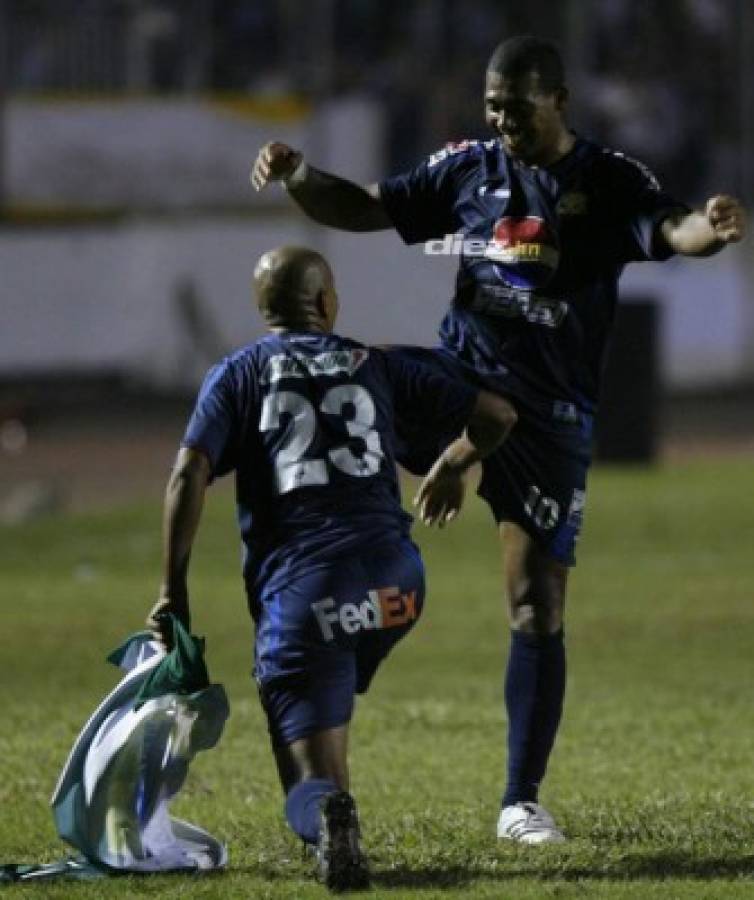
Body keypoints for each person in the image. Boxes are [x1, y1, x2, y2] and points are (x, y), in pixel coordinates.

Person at [250, 35, 747, 843]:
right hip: (461, 379)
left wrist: (711, 228)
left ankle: (520, 801)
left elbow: (671, 229)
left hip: (549, 415)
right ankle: (321, 580)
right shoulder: (470, 169)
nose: (500, 119)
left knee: (535, 606)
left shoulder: (610, 179)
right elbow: (371, 206)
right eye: (492, 105)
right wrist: (301, 174)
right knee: (354, 379)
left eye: (515, 106)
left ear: (558, 102)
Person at [146, 246, 517, 890]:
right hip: (400, 584)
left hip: (309, 596)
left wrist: (172, 589)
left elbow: (188, 473)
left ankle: (327, 812)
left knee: (310, 784)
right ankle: (331, 735)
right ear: (325, 303)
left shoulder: (237, 374)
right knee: (337, 653)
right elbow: (497, 414)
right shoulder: (379, 362)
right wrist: (454, 464)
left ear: (264, 310)